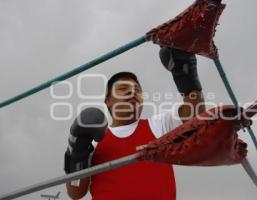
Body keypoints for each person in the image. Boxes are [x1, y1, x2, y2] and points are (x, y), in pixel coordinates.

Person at [65, 47, 205, 199]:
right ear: (108, 101)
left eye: (137, 89)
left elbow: (196, 115)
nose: (132, 92)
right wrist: (76, 151)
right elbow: (76, 192)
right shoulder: (94, 144)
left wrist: (184, 73)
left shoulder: (158, 125)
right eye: (123, 88)